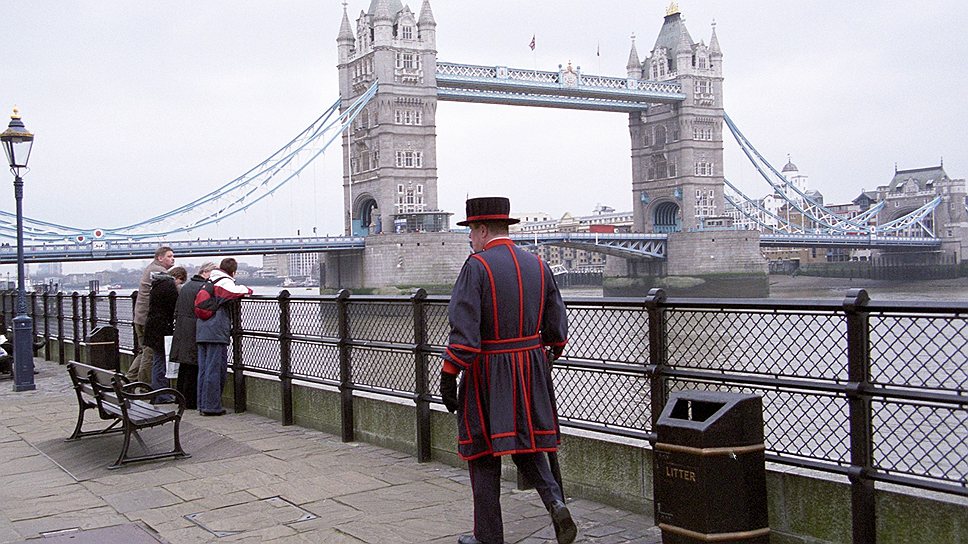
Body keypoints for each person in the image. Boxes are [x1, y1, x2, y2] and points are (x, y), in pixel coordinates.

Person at [440, 197, 576, 544]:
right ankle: (555, 501)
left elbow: (466, 335)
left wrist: (448, 373)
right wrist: (542, 360)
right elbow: (557, 329)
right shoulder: (539, 265)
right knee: (527, 444)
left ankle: (488, 538)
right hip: (531, 368)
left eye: (471, 231)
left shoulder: (477, 266)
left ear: (482, 229)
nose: (470, 238)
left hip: (488, 372)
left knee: (482, 453)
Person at [196, 257, 252, 416]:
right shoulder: (224, 282)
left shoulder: (210, 280)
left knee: (204, 369)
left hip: (202, 328)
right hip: (215, 330)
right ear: (233, 272)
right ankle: (212, 407)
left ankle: (202, 403)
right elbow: (234, 291)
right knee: (215, 369)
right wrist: (248, 290)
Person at [170, 262, 217, 409]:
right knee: (194, 366)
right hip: (194, 329)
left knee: (184, 366)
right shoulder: (202, 288)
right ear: (207, 272)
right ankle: (191, 401)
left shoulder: (187, 287)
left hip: (182, 329)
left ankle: (180, 398)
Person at [127, 246, 175, 382]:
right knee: (150, 354)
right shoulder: (158, 272)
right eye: (169, 256)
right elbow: (171, 291)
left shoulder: (150, 268)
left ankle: (129, 380)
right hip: (147, 320)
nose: (173, 259)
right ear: (160, 258)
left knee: (144, 351)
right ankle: (144, 387)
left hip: (140, 317)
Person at [143, 266, 187, 402]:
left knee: (158, 360)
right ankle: (161, 394)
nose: (179, 285)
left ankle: (158, 392)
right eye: (180, 282)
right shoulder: (169, 286)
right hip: (162, 328)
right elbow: (175, 306)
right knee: (161, 361)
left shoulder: (158, 283)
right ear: (178, 278)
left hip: (153, 328)